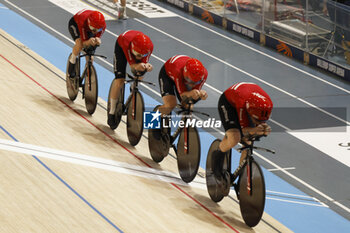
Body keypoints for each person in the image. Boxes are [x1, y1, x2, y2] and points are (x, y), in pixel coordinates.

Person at [211, 82, 273, 184]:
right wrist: (254, 130)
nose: (258, 123)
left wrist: (264, 128)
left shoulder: (267, 104)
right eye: (256, 120)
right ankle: (217, 155)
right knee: (234, 137)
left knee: (248, 142)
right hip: (228, 103)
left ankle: (241, 179)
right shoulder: (242, 103)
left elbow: (260, 120)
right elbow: (243, 131)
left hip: (249, 102)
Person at [108, 30, 154, 129]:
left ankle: (133, 89)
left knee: (142, 70)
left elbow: (144, 64)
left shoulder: (149, 47)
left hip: (139, 49)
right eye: (137, 55)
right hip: (122, 47)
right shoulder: (126, 43)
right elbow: (133, 66)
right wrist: (140, 65)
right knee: (120, 80)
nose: (139, 57)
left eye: (141, 56)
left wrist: (147, 66)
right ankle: (111, 111)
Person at [68, 10, 106, 78]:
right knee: (79, 44)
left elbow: (96, 37)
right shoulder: (83, 22)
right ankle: (72, 60)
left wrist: (97, 40)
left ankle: (87, 76)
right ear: (89, 23)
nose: (95, 32)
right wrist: (88, 41)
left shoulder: (102, 26)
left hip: (89, 27)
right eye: (94, 29)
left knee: (90, 55)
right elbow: (84, 43)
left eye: (98, 30)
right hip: (76, 24)